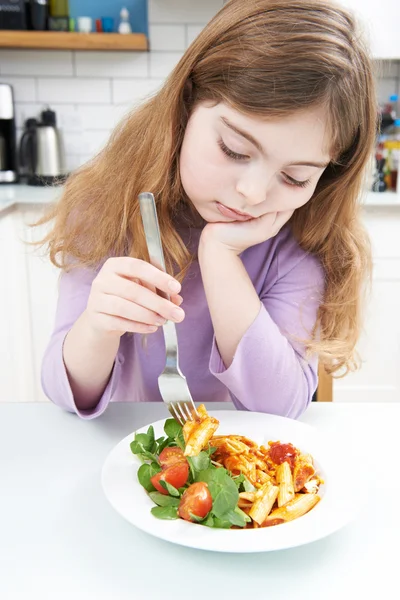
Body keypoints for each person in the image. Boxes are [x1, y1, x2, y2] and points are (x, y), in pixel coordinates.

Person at [40, 0, 377, 420]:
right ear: (183, 108)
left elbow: (282, 406)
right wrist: (97, 324)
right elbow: (65, 391)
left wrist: (219, 256)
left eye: (295, 178)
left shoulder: (301, 242)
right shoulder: (103, 206)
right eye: (233, 150)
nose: (252, 194)